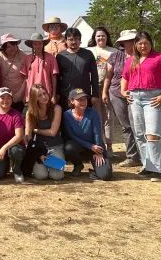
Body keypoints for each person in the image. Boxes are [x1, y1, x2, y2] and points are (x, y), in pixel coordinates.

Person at [120, 31, 161, 182]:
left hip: (153, 98)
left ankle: (158, 170)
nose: (143, 46)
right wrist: (123, 91)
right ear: (135, 45)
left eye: (146, 43)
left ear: (151, 43)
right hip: (134, 98)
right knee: (139, 134)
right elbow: (125, 77)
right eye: (140, 43)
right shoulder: (131, 60)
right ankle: (148, 166)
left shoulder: (160, 58)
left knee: (152, 134)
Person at [103, 29, 142, 167]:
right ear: (122, 42)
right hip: (116, 93)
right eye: (128, 41)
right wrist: (104, 92)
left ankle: (142, 155)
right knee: (126, 125)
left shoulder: (142, 56)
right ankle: (132, 157)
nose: (130, 43)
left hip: (136, 94)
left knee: (138, 125)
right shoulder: (114, 56)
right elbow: (108, 76)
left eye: (133, 40)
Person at [62, 88, 112, 181]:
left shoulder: (93, 113)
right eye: (79, 100)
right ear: (72, 101)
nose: (83, 102)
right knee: (68, 148)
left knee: (106, 175)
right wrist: (90, 146)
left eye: (84, 99)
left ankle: (93, 172)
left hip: (96, 148)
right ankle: (78, 165)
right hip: (81, 146)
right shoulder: (66, 115)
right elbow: (71, 135)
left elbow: (97, 133)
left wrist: (99, 152)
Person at [22, 84, 65, 181]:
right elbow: (28, 134)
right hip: (39, 148)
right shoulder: (30, 112)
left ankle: (55, 165)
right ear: (34, 98)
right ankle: (46, 165)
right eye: (39, 96)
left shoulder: (56, 108)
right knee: (40, 176)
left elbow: (52, 132)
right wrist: (37, 152)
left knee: (57, 176)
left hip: (55, 146)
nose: (44, 97)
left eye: (44, 93)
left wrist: (36, 130)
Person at [88, 27, 118, 156]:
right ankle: (98, 144)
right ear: (94, 37)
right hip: (92, 88)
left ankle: (109, 146)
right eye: (98, 36)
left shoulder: (115, 52)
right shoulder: (88, 51)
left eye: (103, 36)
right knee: (95, 117)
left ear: (107, 37)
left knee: (108, 117)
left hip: (109, 88)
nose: (101, 38)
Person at [0, 87, 25, 183]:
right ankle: (5, 165)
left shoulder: (16, 115)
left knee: (16, 150)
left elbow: (19, 136)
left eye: (8, 97)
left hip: (13, 148)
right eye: (2, 97)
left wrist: (4, 148)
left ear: (12, 100)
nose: (5, 100)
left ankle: (17, 170)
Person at [56, 28, 100, 108]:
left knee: (85, 119)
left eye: (76, 39)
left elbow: (94, 76)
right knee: (67, 119)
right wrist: (57, 94)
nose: (73, 42)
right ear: (65, 40)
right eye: (70, 39)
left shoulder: (88, 54)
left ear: (80, 40)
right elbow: (57, 78)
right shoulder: (60, 56)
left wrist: (95, 94)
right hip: (66, 96)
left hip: (84, 95)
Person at [0, 33, 28, 113]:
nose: (11, 48)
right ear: (3, 48)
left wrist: (19, 95)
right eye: (8, 46)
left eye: (13, 45)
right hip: (4, 96)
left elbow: (27, 77)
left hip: (19, 95)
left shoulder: (23, 56)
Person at [24, 32, 59, 105]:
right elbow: (25, 79)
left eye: (40, 43)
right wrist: (25, 95)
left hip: (46, 94)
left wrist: (53, 95)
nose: (38, 46)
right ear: (32, 45)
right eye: (35, 44)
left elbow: (54, 77)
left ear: (43, 44)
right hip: (32, 95)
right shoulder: (27, 59)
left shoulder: (51, 58)